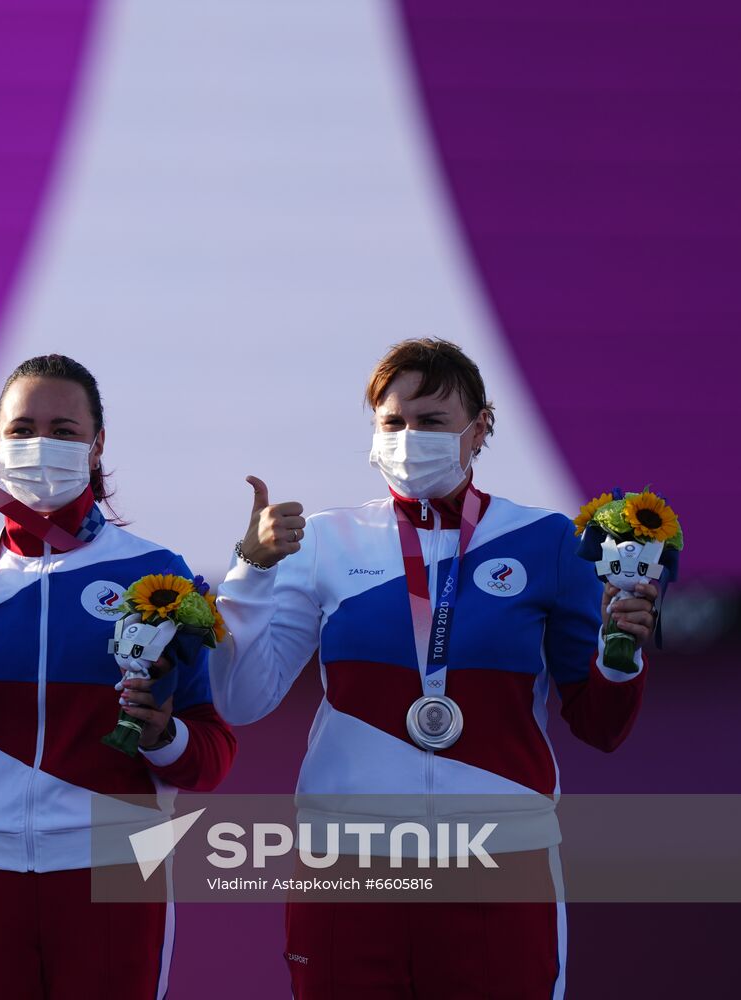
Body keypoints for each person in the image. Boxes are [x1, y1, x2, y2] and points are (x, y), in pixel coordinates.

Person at [211, 338, 656, 999]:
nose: (408, 437)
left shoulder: (546, 542)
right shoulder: (325, 544)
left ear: (477, 431)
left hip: (498, 864)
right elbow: (242, 700)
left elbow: (599, 725)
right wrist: (250, 571)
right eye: (392, 422)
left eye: (431, 421)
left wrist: (621, 659)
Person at [0, 354, 237, 999]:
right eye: (21, 429)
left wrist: (164, 737)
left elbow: (210, 754)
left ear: (98, 445)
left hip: (113, 866)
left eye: (64, 430)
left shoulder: (158, 575)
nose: (40, 445)